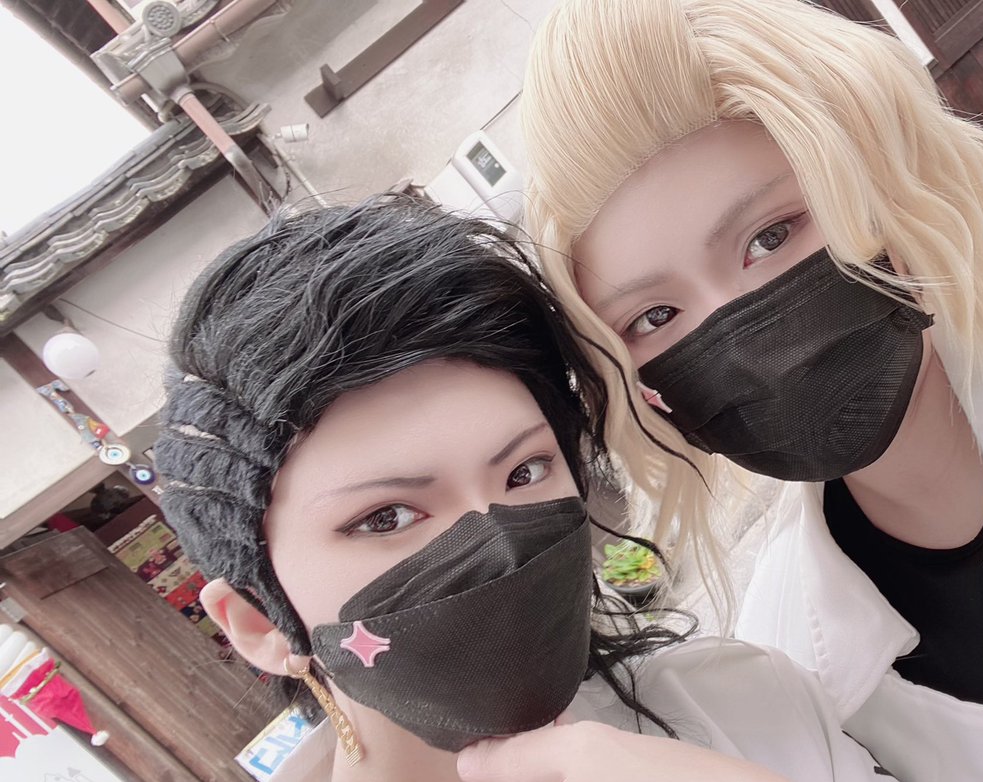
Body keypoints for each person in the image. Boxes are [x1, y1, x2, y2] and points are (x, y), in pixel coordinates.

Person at [516, 1, 983, 780]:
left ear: (876, 176)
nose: (748, 347)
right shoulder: (789, 669)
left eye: (771, 236)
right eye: (655, 317)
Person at [153, 197, 935, 782]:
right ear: (258, 622)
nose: (498, 542)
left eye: (524, 472)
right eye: (386, 516)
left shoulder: (743, 706)